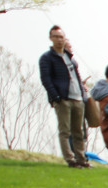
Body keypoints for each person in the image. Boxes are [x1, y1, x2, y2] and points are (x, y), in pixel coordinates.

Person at [38, 25, 90, 168]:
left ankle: (82, 159)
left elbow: (77, 78)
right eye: (56, 37)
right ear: (51, 38)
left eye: (61, 37)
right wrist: (55, 97)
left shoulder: (70, 58)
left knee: (78, 131)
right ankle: (70, 159)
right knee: (65, 131)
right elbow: (45, 79)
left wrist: (83, 95)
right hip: (63, 99)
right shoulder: (47, 58)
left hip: (78, 99)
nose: (59, 40)